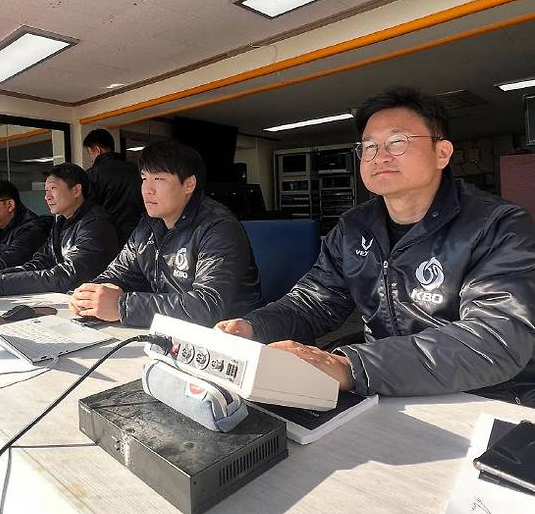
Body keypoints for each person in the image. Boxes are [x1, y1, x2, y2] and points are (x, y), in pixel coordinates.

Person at [218, 86, 535, 407]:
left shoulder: (498, 226)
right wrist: (254, 327)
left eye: (397, 142)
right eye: (369, 146)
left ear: (442, 153)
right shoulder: (354, 227)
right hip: (385, 387)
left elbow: (496, 337)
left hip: (488, 396)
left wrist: (353, 366)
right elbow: (314, 302)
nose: (379, 156)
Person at [69, 139, 263, 327]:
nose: (147, 189)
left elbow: (207, 306)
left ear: (189, 184)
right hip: (171, 331)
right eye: (144, 179)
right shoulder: (148, 225)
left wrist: (123, 307)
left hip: (229, 336)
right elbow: (118, 273)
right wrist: (90, 296)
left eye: (159, 179)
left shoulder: (219, 228)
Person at [0, 163, 118, 297]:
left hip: (91, 303)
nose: (47, 197)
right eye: (46, 190)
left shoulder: (96, 224)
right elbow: (40, 262)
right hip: (68, 298)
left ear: (76, 190)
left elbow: (68, 275)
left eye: (53, 188)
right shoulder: (61, 222)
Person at [83, 128, 143, 245]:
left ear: (97, 150)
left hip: (107, 236)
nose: (91, 158)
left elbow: (87, 211)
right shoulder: (135, 169)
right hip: (138, 234)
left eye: (90, 152)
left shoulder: (92, 175)